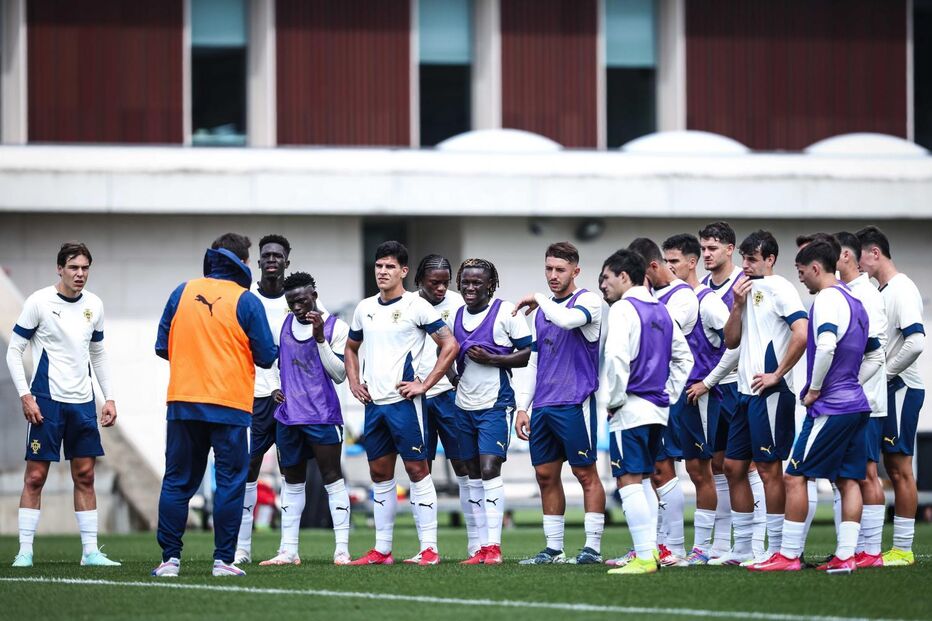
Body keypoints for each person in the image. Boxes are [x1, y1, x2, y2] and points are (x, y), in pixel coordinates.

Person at [152, 233, 278, 577]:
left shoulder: (181, 291)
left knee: (177, 481)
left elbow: (162, 347)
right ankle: (223, 561)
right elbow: (267, 357)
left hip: (183, 402)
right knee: (230, 482)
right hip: (229, 405)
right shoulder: (247, 301)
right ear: (244, 262)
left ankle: (170, 561)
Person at [750, 239, 871, 572]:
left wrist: (815, 389)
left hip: (832, 405)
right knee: (848, 480)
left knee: (793, 475)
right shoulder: (855, 300)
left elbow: (828, 344)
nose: (800, 278)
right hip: (857, 404)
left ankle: (788, 555)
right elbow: (873, 351)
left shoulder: (829, 299)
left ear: (816, 268)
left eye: (802, 272)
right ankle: (847, 556)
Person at [345, 241, 458, 566]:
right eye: (379, 266)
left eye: (390, 267)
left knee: (416, 470)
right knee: (379, 473)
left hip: (406, 405)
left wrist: (425, 384)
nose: (382, 272)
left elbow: (450, 344)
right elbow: (351, 348)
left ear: (404, 271)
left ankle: (430, 549)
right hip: (374, 406)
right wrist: (354, 381)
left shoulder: (416, 306)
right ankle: (382, 550)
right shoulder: (364, 307)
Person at [6, 242, 120, 568]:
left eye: (85, 268)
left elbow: (97, 353)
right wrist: (25, 395)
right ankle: (25, 551)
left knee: (85, 475)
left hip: (83, 402)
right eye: (74, 267)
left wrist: (108, 396)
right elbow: (14, 350)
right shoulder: (38, 302)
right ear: (60, 268)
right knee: (35, 477)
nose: (80, 274)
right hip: (46, 402)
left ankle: (91, 552)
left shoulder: (94, 305)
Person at [599, 249, 693, 576]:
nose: (604, 287)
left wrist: (612, 401)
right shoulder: (662, 310)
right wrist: (670, 392)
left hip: (631, 407)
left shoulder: (624, 308)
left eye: (607, 279)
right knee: (644, 480)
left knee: (627, 478)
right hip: (658, 409)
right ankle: (650, 550)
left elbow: (616, 359)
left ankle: (643, 557)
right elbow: (685, 359)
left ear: (625, 276)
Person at [513, 242, 604, 566]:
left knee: (585, 474)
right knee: (545, 476)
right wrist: (523, 407)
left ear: (575, 271)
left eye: (560, 269)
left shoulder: (589, 302)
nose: (553, 275)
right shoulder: (542, 312)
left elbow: (567, 321)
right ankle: (553, 548)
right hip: (544, 408)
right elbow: (534, 363)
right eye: (549, 269)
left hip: (576, 403)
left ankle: (592, 547)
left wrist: (538, 298)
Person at [723, 230, 808, 567]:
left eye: (752, 259)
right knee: (733, 467)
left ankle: (778, 549)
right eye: (743, 259)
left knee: (770, 470)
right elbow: (731, 342)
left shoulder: (782, 288)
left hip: (770, 392)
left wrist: (777, 374)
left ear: (769, 259)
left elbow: (802, 333)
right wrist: (737, 305)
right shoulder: (743, 290)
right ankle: (744, 547)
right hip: (744, 393)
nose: (745, 265)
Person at [258, 271, 352, 566]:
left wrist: (321, 338)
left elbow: (339, 374)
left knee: (332, 479)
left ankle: (342, 550)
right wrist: (275, 386)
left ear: (314, 294)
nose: (297, 307)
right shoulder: (283, 325)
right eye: (291, 302)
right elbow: (270, 361)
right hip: (289, 418)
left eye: (302, 300)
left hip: (323, 416)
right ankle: (288, 550)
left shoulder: (337, 327)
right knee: (292, 483)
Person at [662, 233, 739, 565]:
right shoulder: (670, 299)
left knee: (704, 469)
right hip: (677, 396)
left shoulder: (706, 301)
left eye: (674, 261)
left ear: (690, 263)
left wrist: (707, 383)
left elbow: (735, 346)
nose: (668, 267)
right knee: (692, 469)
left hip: (700, 396)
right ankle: (686, 545)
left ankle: (709, 546)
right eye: (665, 261)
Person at [694, 222, 767, 563]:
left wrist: (707, 381)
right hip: (716, 390)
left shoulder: (746, 283)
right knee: (721, 466)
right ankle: (724, 545)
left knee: (752, 467)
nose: (706, 254)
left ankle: (759, 543)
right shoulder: (703, 289)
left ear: (729, 249)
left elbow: (736, 345)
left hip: (743, 386)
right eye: (703, 248)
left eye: (712, 248)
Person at [453, 258, 531, 565]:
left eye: (477, 283)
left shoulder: (505, 311)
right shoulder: (456, 315)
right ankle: (481, 548)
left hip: (495, 404)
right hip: (463, 405)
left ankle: (495, 547)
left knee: (489, 469)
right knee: (472, 473)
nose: (470, 288)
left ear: (490, 285)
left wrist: (493, 359)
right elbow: (445, 352)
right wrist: (451, 378)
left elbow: (528, 353)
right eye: (466, 282)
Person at [857, 225, 925, 566]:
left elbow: (916, 342)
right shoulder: (880, 290)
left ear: (874, 254)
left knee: (899, 468)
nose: (858, 265)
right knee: (881, 468)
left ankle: (903, 548)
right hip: (886, 390)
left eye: (860, 257)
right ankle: (877, 547)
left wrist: (885, 374)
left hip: (901, 389)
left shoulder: (901, 289)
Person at [628, 237, 699, 567]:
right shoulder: (653, 296)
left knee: (663, 469)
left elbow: (661, 340)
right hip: (644, 396)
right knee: (648, 470)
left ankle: (675, 547)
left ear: (652, 267)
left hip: (666, 396)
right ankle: (653, 545)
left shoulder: (683, 297)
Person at [411, 254, 475, 562]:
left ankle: (476, 544)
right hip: (414, 398)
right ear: (419, 281)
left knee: (464, 466)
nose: (440, 288)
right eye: (433, 282)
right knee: (420, 469)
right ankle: (428, 547)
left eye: (445, 282)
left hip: (450, 396)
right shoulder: (407, 305)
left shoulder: (458, 305)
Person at [235, 234, 293, 565]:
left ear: (287, 261)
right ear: (258, 261)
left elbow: (326, 334)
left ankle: (288, 547)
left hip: (291, 400)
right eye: (266, 255)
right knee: (249, 468)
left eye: (278, 255)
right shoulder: (246, 299)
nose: (272, 260)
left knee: (290, 470)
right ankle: (242, 547)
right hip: (253, 397)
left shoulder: (300, 297)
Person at [834, 231, 888, 567]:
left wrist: (847, 386)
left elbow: (876, 352)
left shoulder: (867, 294)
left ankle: (871, 549)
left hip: (865, 401)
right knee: (848, 474)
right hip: (848, 401)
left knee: (867, 472)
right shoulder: (841, 292)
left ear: (846, 257)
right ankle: (854, 548)